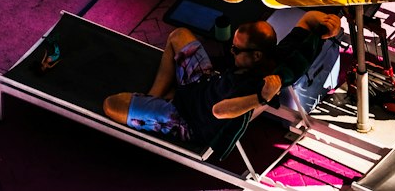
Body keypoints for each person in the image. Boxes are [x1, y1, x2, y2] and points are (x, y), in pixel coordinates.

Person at [103, 8, 341, 147]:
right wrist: (330, 23)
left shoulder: (258, 85)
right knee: (179, 35)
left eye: (236, 50)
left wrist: (260, 97)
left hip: (188, 120)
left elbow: (220, 111)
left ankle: (160, 105)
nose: (231, 51)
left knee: (112, 105)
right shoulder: (279, 53)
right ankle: (155, 96)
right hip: (203, 84)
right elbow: (309, 19)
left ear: (257, 55)